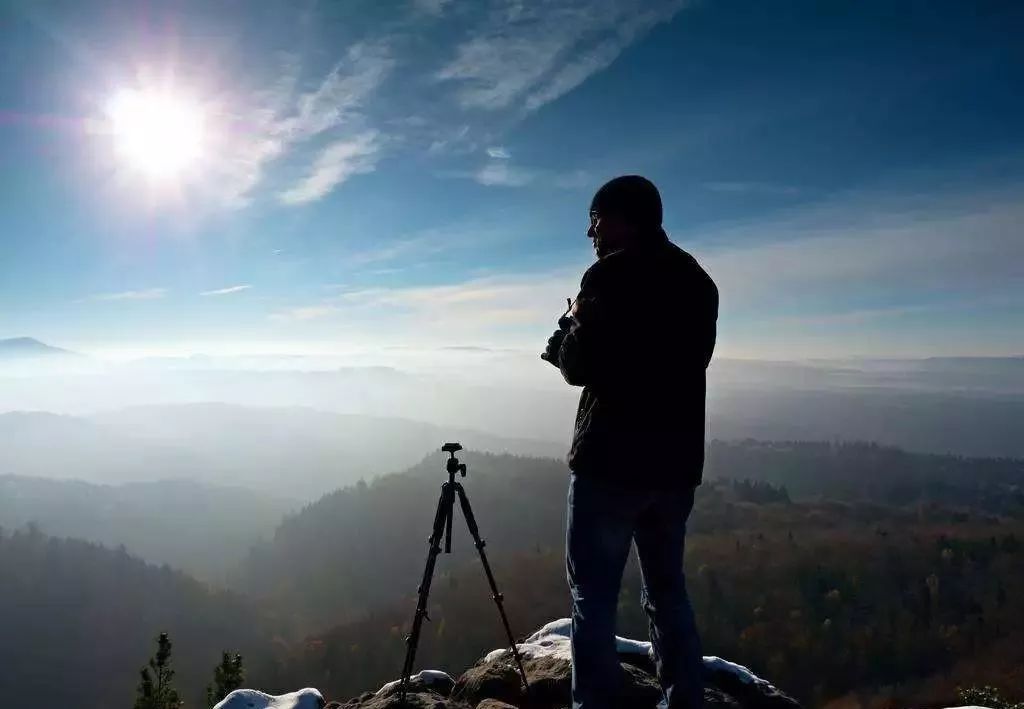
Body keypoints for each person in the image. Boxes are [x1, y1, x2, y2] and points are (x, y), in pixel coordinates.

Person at [542, 175, 718, 709]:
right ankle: (685, 700)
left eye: (596, 218)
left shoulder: (609, 275)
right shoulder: (697, 280)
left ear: (625, 219)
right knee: (667, 592)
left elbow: (579, 366)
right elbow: (686, 362)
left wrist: (569, 330)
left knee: (592, 598)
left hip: (610, 465)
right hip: (675, 467)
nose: (590, 231)